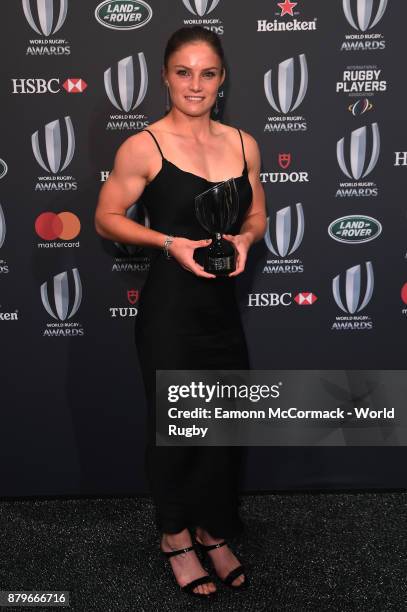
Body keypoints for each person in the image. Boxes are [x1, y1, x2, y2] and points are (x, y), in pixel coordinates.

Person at [95, 25, 266, 599]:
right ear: (165, 76)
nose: (196, 84)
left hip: (222, 308)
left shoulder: (243, 143)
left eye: (208, 73)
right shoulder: (143, 145)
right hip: (170, 310)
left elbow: (257, 215)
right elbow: (106, 218)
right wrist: (170, 243)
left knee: (223, 425)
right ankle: (175, 538)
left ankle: (214, 531)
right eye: (184, 72)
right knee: (175, 428)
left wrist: (243, 241)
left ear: (223, 80)